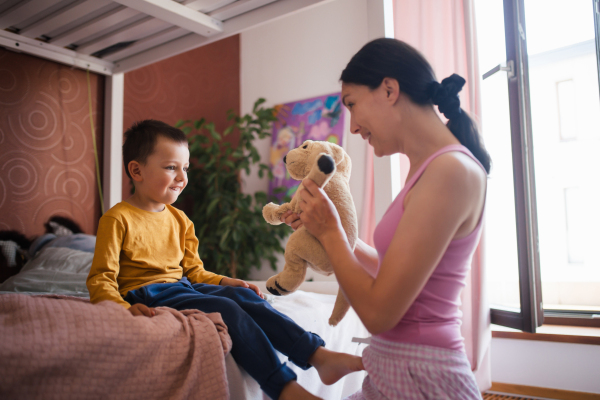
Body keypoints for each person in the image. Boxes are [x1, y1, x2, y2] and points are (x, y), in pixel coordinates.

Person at [86, 119, 363, 400]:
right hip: (146, 293)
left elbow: (195, 271)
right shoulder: (117, 218)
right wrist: (123, 309)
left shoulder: (180, 220)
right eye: (171, 167)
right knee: (225, 309)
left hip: (182, 287)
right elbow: (101, 278)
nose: (182, 177)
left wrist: (227, 281)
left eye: (185, 168)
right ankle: (284, 388)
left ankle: (317, 354)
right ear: (137, 170)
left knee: (244, 298)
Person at [281, 38, 490, 399]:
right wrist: (334, 234)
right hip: (398, 368)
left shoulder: (451, 171)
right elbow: (397, 276)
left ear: (390, 89)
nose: (353, 128)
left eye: (352, 105)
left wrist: (331, 231)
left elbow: (379, 313)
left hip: (424, 374)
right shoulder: (426, 170)